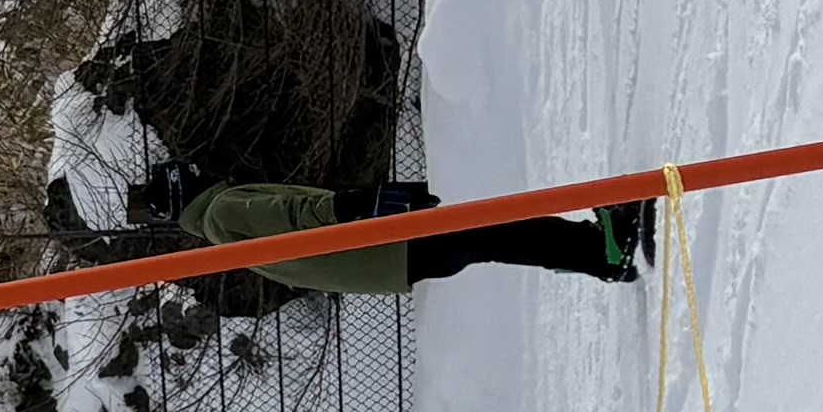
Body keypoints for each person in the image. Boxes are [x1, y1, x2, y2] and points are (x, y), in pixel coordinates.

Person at [188, 177, 649, 290]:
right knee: (494, 231)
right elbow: (296, 215)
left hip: (388, 264)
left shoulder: (220, 238)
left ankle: (598, 252)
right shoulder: (226, 211)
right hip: (387, 243)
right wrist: (361, 204)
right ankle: (603, 251)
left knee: (494, 237)